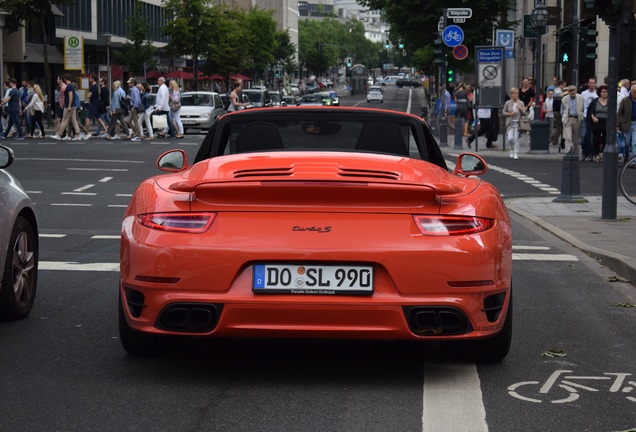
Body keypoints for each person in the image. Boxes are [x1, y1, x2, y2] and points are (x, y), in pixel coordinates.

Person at [50, 74, 82, 141]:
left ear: (65, 79)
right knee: (74, 120)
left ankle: (59, 135)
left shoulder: (69, 86)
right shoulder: (71, 86)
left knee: (64, 120)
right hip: (73, 105)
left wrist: (69, 105)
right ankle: (78, 135)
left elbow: (70, 96)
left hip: (68, 106)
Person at [586, 85, 608, 162]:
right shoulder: (595, 101)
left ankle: (605, 154)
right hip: (597, 121)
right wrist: (593, 117)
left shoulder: (610, 101)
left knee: (606, 139)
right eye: (603, 92)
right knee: (596, 139)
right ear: (600, 92)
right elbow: (590, 110)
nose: (605, 93)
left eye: (606, 92)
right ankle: (597, 154)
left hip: (606, 121)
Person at [560, 85, 584, 155]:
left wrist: (581, 116)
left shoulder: (581, 98)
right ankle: (568, 151)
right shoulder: (564, 99)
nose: (572, 92)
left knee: (576, 137)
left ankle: (575, 151)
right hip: (568, 118)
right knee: (568, 137)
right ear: (568, 92)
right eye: (570, 91)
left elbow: (583, 108)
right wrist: (564, 118)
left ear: (576, 90)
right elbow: (562, 110)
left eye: (573, 90)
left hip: (577, 119)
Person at [502, 87, 526, 159]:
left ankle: (516, 152)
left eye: (516, 93)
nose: (515, 95)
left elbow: (524, 113)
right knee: (510, 138)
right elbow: (503, 112)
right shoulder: (508, 103)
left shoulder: (521, 103)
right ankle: (511, 149)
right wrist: (510, 114)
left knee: (516, 138)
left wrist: (521, 109)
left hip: (518, 122)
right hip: (510, 122)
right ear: (511, 94)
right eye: (513, 93)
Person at [580, 77, 598, 161]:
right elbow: (581, 105)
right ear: (588, 84)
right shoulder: (583, 93)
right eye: (590, 83)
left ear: (595, 84)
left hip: (593, 117)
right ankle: (584, 152)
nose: (591, 85)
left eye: (593, 83)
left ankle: (591, 153)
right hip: (584, 116)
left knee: (591, 137)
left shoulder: (597, 94)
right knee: (583, 136)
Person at [617, 84, 636, 161]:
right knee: (626, 143)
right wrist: (618, 124)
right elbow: (619, 113)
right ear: (631, 92)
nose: (635, 94)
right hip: (627, 124)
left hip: (635, 123)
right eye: (634, 92)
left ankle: (633, 161)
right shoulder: (625, 100)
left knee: (634, 143)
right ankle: (626, 157)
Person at [550, 79, 567, 148]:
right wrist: (564, 93)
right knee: (559, 126)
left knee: (560, 126)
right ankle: (553, 139)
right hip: (557, 111)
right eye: (564, 85)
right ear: (561, 85)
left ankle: (556, 139)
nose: (565, 87)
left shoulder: (563, 91)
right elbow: (557, 96)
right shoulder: (558, 90)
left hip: (560, 110)